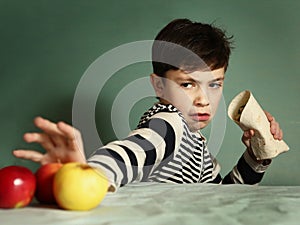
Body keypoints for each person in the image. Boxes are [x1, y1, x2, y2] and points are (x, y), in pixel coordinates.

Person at [13, 18, 283, 192]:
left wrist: (257, 157)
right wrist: (88, 172)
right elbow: (128, 154)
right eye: (188, 84)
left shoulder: (197, 144)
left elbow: (221, 198)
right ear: (159, 86)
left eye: (214, 84)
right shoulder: (168, 125)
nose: (203, 99)